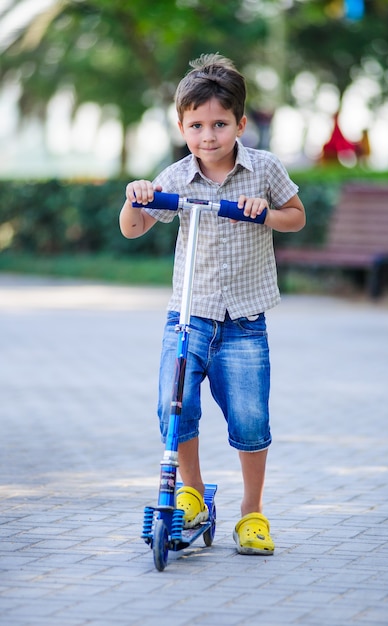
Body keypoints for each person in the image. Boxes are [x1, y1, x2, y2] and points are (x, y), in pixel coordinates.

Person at [120, 53, 305, 555]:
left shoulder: (264, 169)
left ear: (240, 124)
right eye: (197, 125)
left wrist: (266, 212)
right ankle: (194, 494)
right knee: (173, 406)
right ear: (182, 126)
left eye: (220, 124)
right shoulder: (176, 177)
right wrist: (136, 198)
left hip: (245, 321)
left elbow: (296, 216)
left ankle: (252, 513)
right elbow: (133, 228)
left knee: (249, 419)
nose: (208, 135)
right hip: (188, 318)